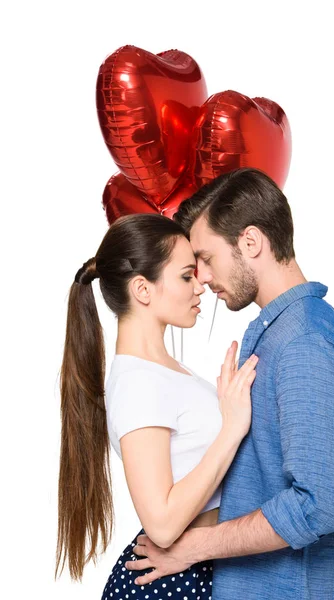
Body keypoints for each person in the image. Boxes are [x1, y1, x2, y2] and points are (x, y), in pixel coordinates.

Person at [125, 168, 334, 600]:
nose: (200, 276)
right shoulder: (279, 333)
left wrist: (196, 547)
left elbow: (318, 505)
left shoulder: (305, 342)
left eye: (206, 257)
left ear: (250, 243)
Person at [55, 212, 259, 599]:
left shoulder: (162, 372)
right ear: (143, 290)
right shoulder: (137, 382)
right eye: (186, 276)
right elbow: (163, 525)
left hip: (195, 570)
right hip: (172, 584)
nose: (201, 284)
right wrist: (231, 429)